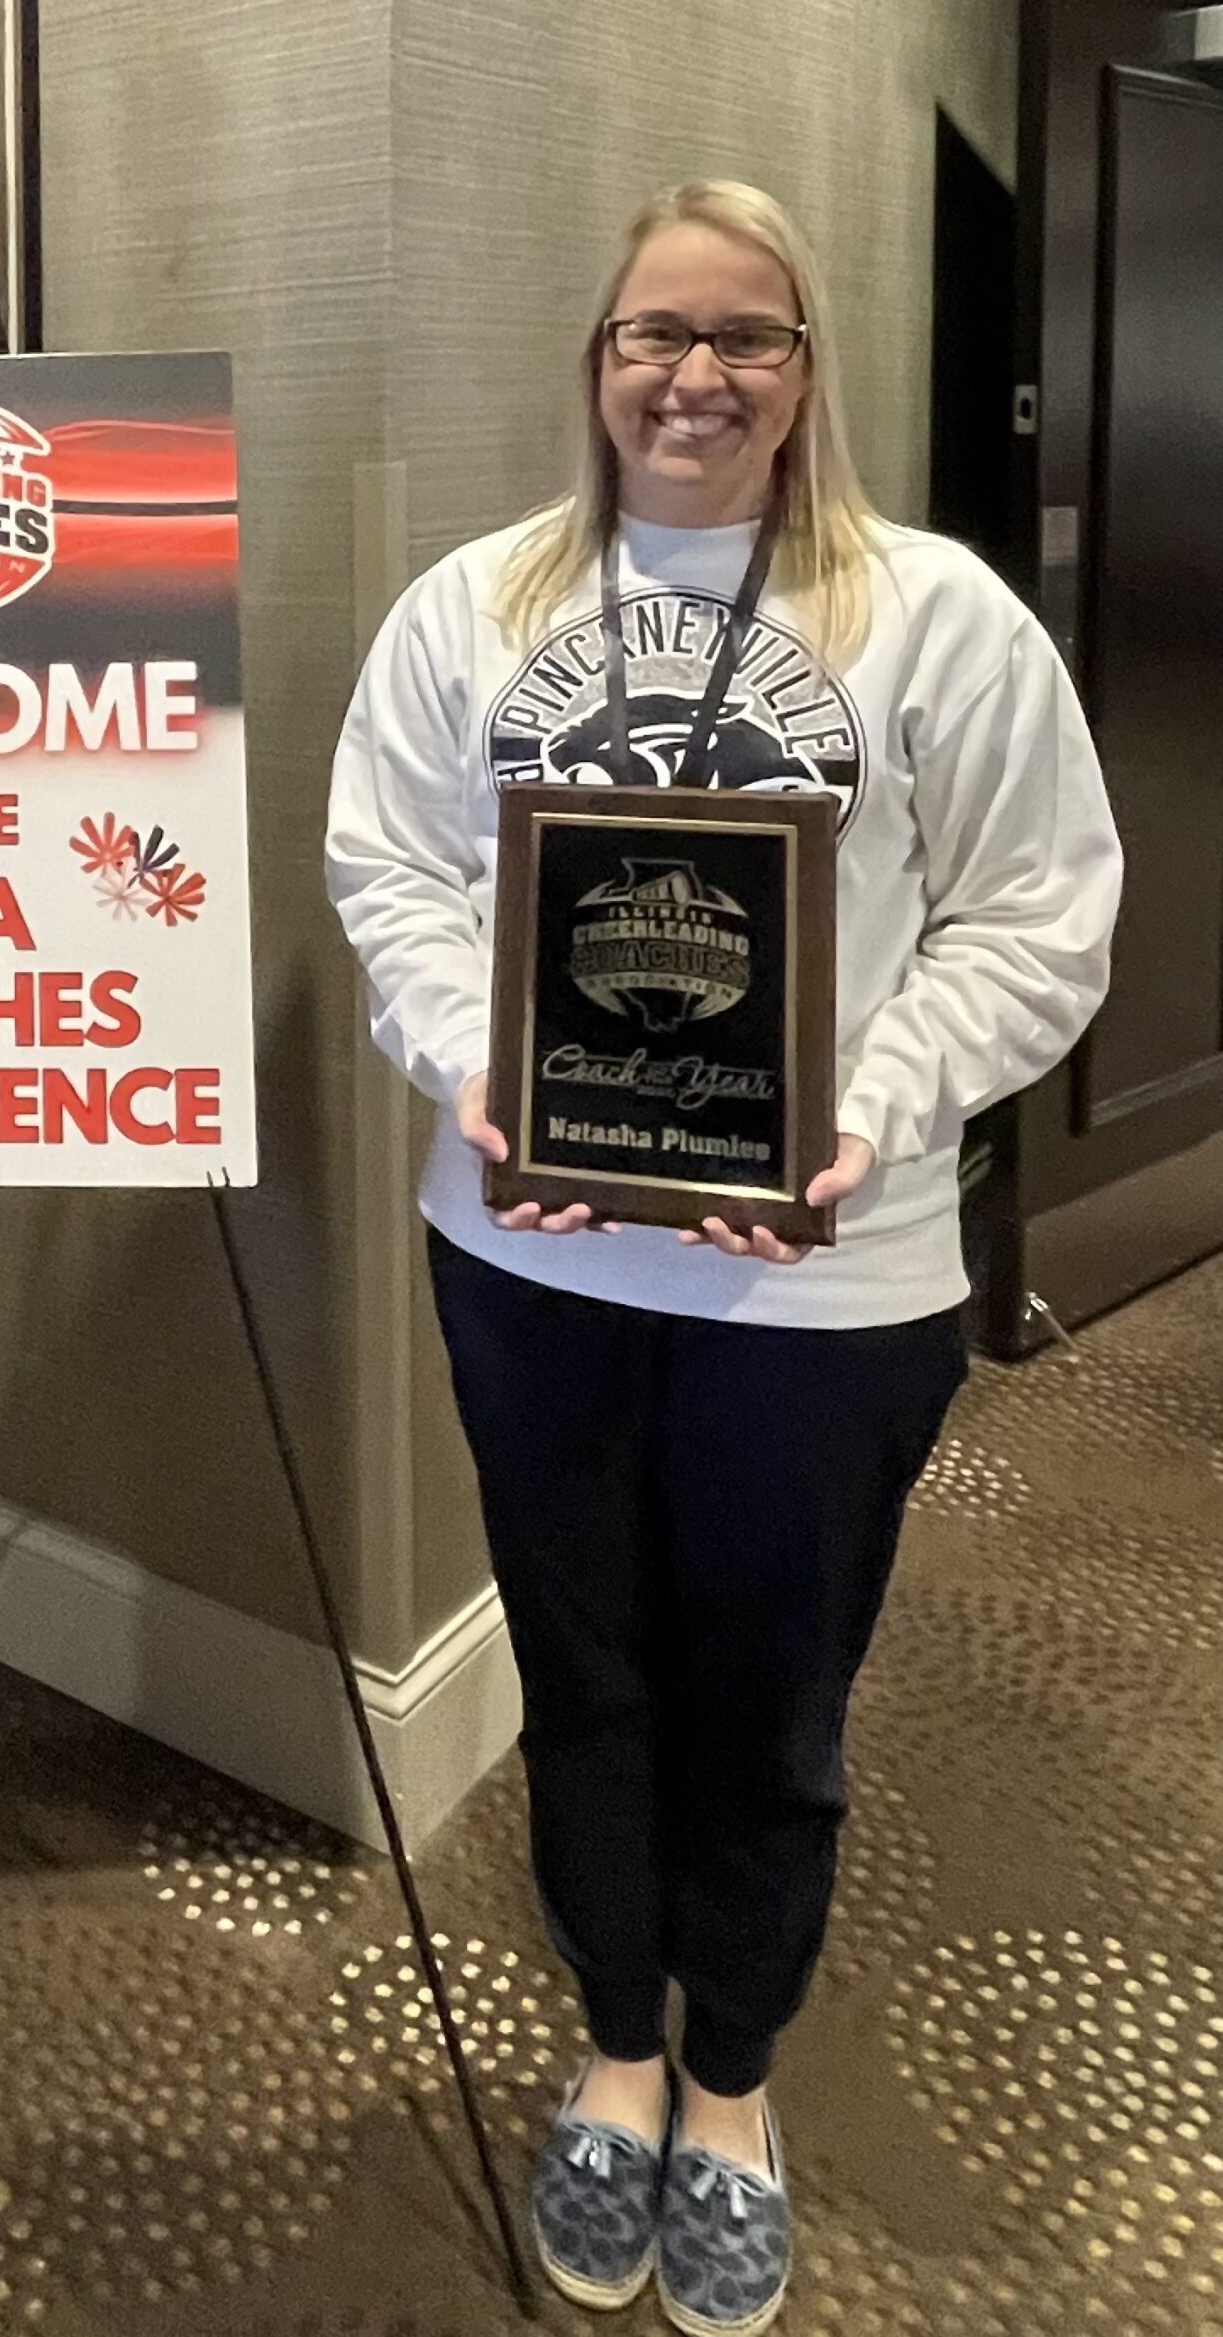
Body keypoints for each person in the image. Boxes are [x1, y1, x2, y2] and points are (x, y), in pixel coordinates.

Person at [325, 183, 1120, 2334]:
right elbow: (389, 871)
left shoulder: (937, 616)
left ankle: (733, 2072)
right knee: (583, 1662)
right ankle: (614, 2038)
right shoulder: (470, 608)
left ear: (803, 369)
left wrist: (871, 1108)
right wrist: (476, 1066)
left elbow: (1039, 915)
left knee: (771, 1692)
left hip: (829, 1283)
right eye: (651, 333)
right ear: (593, 360)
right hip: (532, 1257)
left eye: (744, 336)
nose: (693, 375)